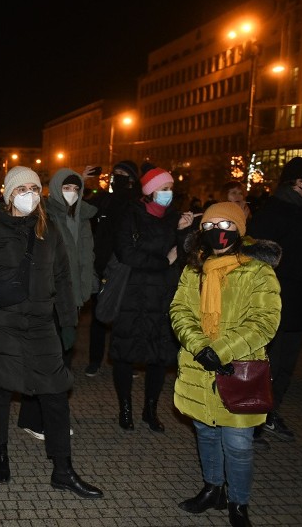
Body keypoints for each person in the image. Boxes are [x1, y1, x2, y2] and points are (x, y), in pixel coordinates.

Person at [0, 166, 102, 498]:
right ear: (9, 193)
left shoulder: (49, 229)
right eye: (21, 188)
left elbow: (64, 280)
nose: (28, 194)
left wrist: (68, 323)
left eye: (33, 188)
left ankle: (63, 469)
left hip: (41, 326)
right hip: (2, 323)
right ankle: (0, 450)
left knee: (55, 394)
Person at [171, 202, 282, 527]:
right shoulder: (194, 268)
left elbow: (264, 322)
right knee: (205, 433)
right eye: (208, 225)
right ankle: (213, 489)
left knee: (238, 444)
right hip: (198, 368)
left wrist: (220, 351)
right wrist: (199, 346)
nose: (216, 231)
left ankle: (238, 503)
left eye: (225, 224)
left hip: (239, 369)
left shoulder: (257, 270)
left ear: (239, 229)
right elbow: (180, 310)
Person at [247, 157, 302, 449]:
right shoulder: (275, 211)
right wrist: (300, 270)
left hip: (298, 300)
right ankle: (253, 423)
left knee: (286, 367)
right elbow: (256, 255)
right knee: (270, 363)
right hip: (274, 300)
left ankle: (270, 413)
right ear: (298, 182)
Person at [110, 165, 193, 433]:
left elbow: (184, 254)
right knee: (125, 354)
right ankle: (125, 408)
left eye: (170, 189)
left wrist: (183, 232)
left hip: (163, 295)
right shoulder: (130, 216)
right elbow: (127, 253)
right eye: (163, 189)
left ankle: (150, 409)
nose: (168, 194)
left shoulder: (176, 218)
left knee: (159, 356)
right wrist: (162, 261)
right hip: (133, 295)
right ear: (149, 191)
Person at [17, 167, 97, 440]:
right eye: (66, 188)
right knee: (48, 360)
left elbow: (87, 255)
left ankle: (34, 416)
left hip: (73, 298)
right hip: (49, 298)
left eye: (76, 189)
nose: (71, 194)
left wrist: (89, 283)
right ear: (55, 188)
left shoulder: (83, 216)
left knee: (60, 359)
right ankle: (43, 419)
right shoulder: (45, 215)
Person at [84, 160, 141, 377]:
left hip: (127, 267)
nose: (117, 177)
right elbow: (81, 208)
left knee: (125, 316)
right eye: (115, 173)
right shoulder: (105, 200)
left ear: (132, 179)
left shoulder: (138, 202)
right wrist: (82, 180)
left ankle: (126, 359)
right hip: (102, 264)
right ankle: (94, 360)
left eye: (122, 174)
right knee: (99, 316)